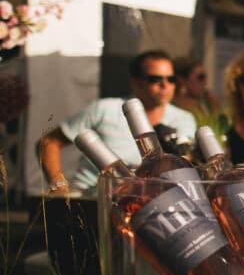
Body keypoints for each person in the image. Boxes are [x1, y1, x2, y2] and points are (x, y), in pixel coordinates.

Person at [39, 50, 197, 194]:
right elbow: (48, 142)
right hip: (90, 198)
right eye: (155, 79)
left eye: (171, 79)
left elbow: (182, 166)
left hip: (147, 204)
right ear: (136, 82)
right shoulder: (104, 109)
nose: (165, 85)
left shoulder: (184, 119)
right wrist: (58, 185)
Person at [171, 57, 221, 126]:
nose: (205, 83)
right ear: (182, 80)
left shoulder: (206, 102)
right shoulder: (173, 107)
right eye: (201, 77)